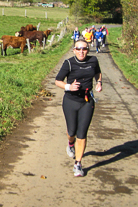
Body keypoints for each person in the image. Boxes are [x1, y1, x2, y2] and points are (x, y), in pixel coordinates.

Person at [55, 40, 102, 177]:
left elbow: (97, 73)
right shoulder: (69, 63)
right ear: (74, 50)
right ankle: (70, 144)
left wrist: (99, 82)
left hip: (87, 102)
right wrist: (69, 87)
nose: (82, 51)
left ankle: (78, 164)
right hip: (70, 101)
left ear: (88, 50)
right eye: (79, 49)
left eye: (85, 49)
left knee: (82, 133)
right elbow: (58, 80)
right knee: (72, 131)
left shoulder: (93, 61)